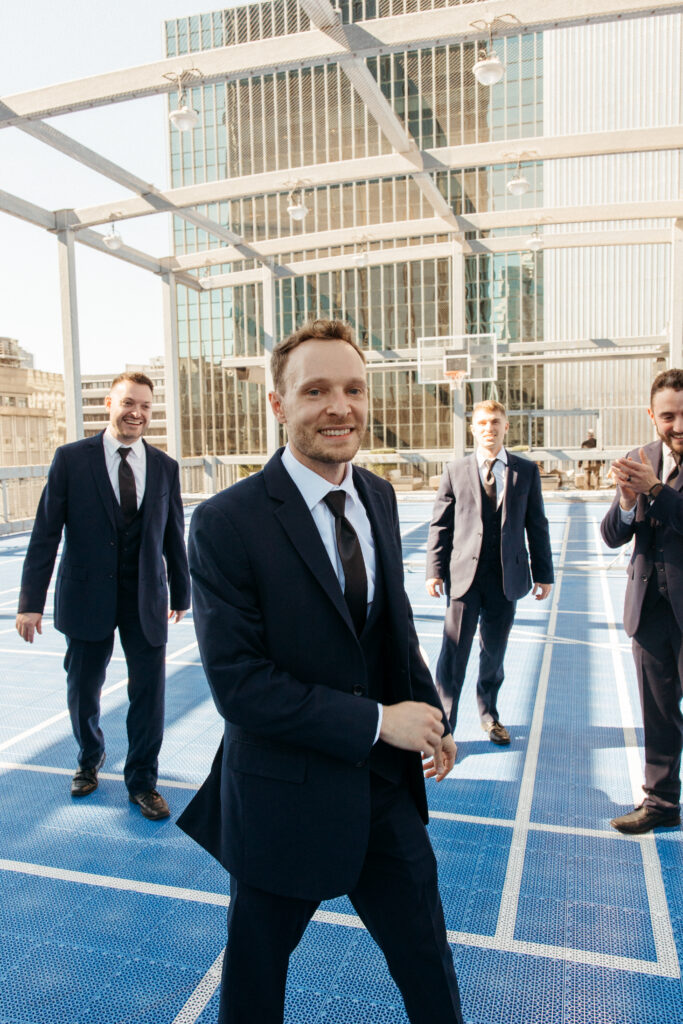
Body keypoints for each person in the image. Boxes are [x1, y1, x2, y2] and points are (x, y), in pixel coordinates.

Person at [177, 320, 463, 1024]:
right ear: (277, 405)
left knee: (428, 966)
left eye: (353, 389)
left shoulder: (378, 495)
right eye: (315, 391)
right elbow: (239, 686)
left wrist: (426, 714)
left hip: (384, 793)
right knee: (254, 984)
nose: (340, 406)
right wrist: (377, 722)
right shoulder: (224, 522)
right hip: (283, 798)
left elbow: (391, 628)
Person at [16, 372, 191, 820]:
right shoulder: (71, 460)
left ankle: (142, 782)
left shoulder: (165, 466)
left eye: (146, 406)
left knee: (149, 695)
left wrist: (181, 594)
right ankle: (89, 758)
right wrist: (30, 602)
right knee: (83, 691)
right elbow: (46, 533)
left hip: (145, 599)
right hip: (86, 598)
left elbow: (174, 536)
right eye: (129, 403)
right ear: (110, 404)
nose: (137, 413)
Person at [425, 400, 554, 743]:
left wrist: (544, 573)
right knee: (454, 652)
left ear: (506, 426)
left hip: (505, 579)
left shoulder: (526, 471)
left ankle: (489, 715)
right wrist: (434, 570)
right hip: (463, 579)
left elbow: (536, 525)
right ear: (473, 428)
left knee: (494, 653)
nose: (489, 428)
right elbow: (441, 525)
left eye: (495, 422)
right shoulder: (455, 470)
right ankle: (443, 725)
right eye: (482, 423)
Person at [601, 368, 683, 834]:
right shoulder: (641, 458)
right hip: (649, 609)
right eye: (668, 415)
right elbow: (612, 535)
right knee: (658, 711)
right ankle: (661, 804)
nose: (678, 425)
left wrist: (654, 489)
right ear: (652, 415)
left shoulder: (654, 472)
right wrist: (629, 499)